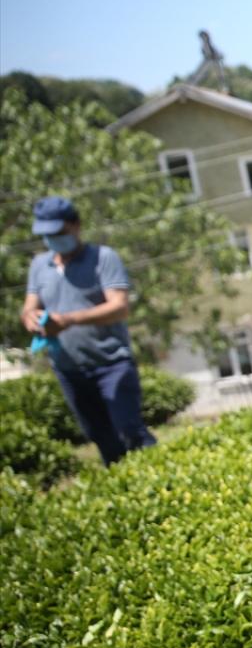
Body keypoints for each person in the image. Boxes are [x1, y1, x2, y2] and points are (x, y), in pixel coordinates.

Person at [21, 196, 156, 465]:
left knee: (129, 430)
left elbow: (119, 307)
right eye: (47, 235)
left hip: (112, 364)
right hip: (69, 369)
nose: (53, 239)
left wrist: (68, 320)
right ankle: (122, 483)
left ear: (76, 225)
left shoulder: (103, 258)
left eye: (58, 232)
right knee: (100, 436)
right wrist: (32, 319)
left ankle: (159, 476)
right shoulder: (39, 265)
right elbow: (28, 308)